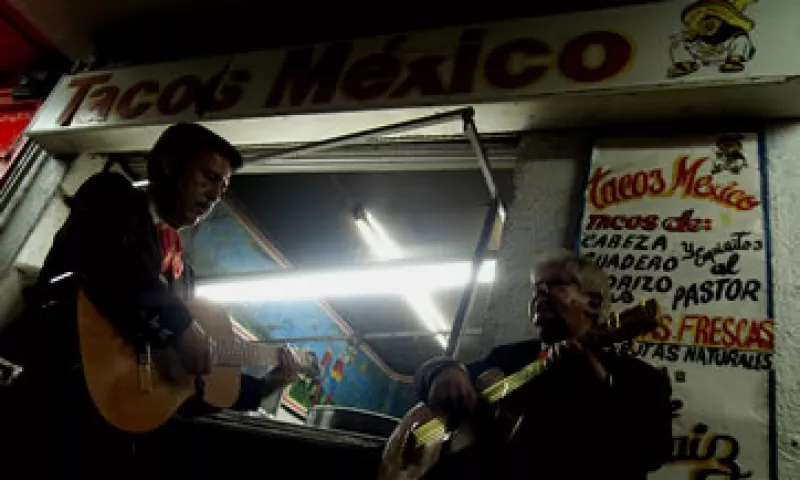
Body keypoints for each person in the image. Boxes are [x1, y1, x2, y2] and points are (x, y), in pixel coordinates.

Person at [2, 123, 298, 475]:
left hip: (107, 439)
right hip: (47, 399)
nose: (214, 195)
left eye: (222, 188)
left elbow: (182, 389)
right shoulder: (113, 197)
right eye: (208, 177)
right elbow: (110, 262)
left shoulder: (183, 277)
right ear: (169, 164)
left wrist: (265, 386)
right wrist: (181, 327)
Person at [413, 250, 673, 479]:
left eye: (555, 284)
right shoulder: (508, 358)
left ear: (593, 303)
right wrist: (442, 371)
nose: (540, 293)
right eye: (537, 287)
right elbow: (439, 378)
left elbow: (654, 452)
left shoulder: (643, 379)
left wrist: (603, 389)